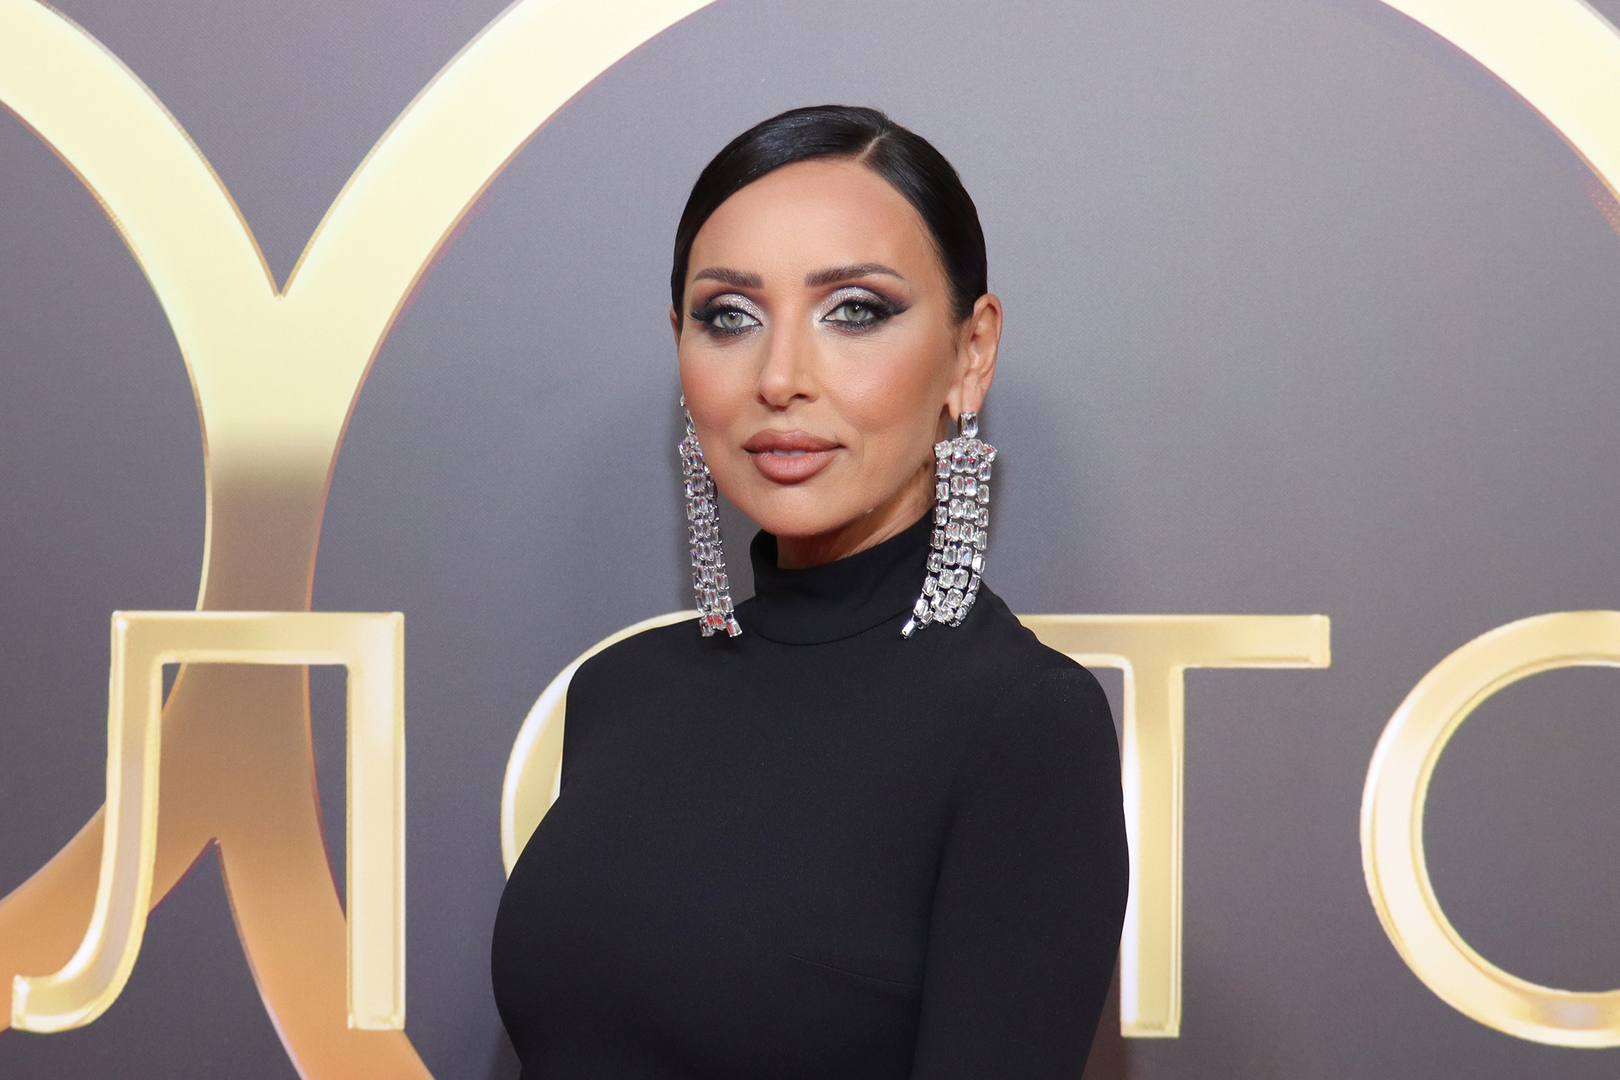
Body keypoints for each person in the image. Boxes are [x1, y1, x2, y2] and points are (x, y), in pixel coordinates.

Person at [491, 104, 1128, 1079]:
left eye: (855, 311)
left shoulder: (1023, 725)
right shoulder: (619, 692)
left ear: (971, 353)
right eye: (729, 317)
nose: (779, 376)